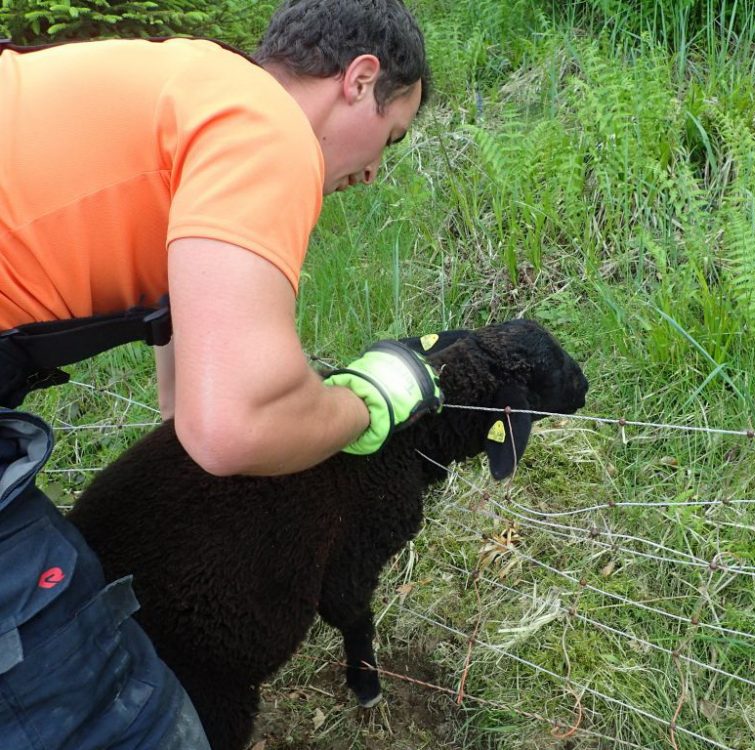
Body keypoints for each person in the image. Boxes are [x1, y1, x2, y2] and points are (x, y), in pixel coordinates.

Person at [0, 1, 440, 747]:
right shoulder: (263, 125)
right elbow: (228, 427)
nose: (371, 173)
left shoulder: (190, 92)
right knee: (124, 719)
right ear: (359, 80)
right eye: (389, 139)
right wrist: (370, 404)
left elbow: (186, 407)